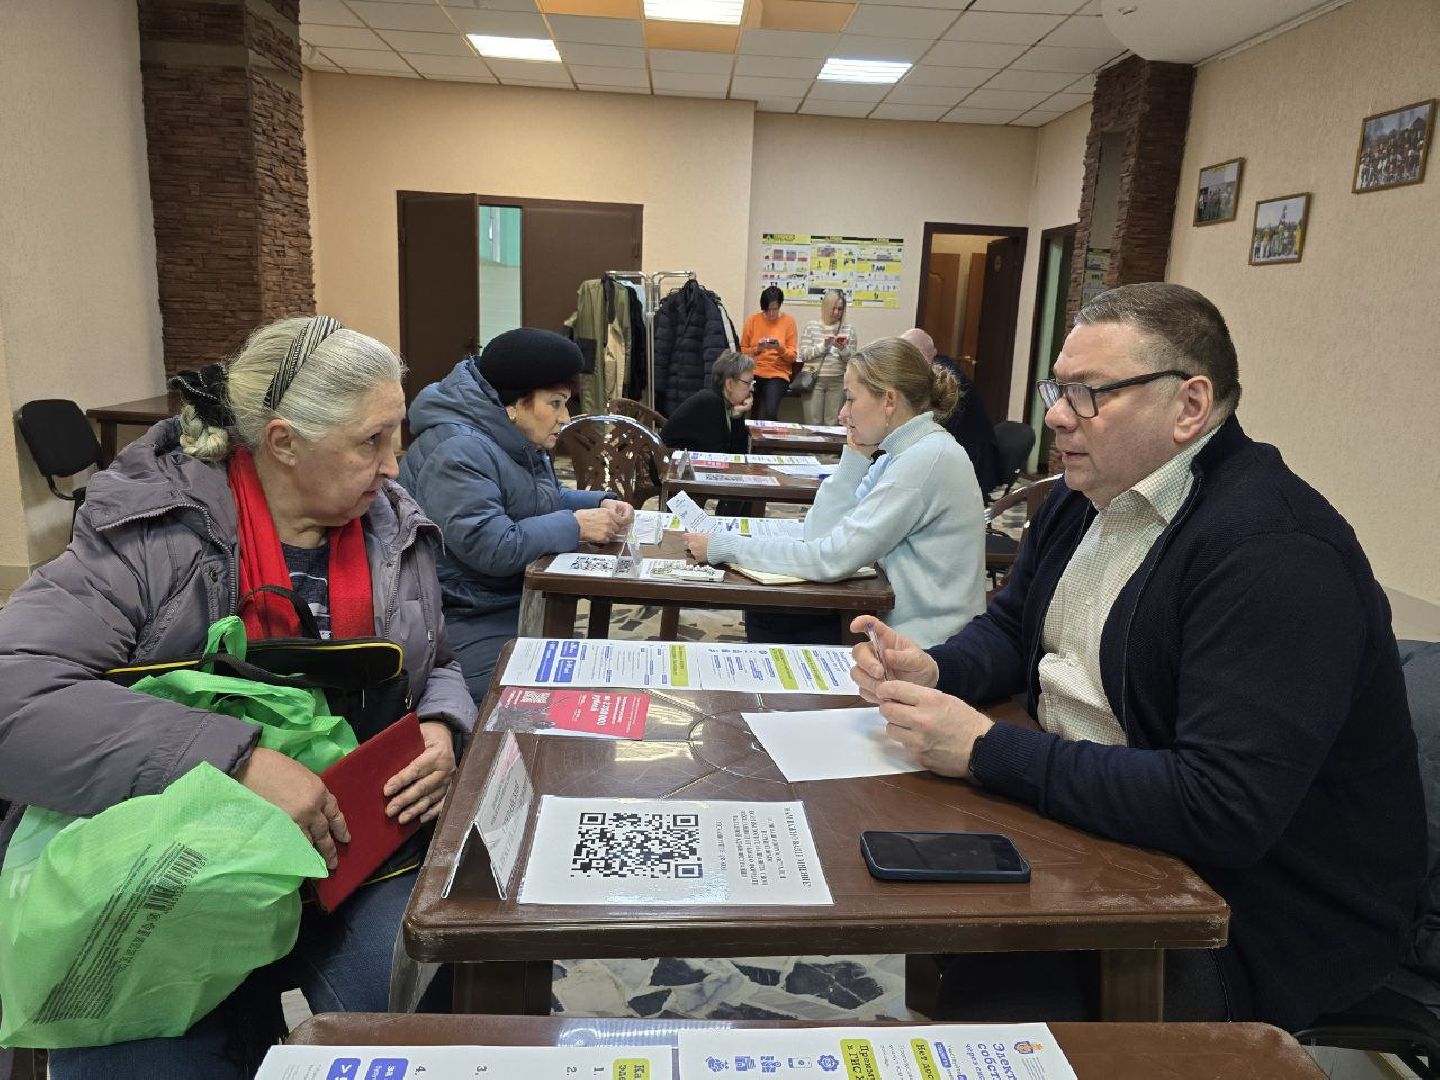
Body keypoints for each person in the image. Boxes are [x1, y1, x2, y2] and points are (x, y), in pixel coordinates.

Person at [850, 283, 1425, 1030]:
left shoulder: (1274, 554)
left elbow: (1221, 807)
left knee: (996, 1008)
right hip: (1097, 822)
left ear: (1190, 406)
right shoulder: (1081, 495)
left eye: (1090, 393)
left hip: (1252, 910)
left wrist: (988, 749)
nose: (1058, 415)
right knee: (919, 887)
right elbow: (1016, 629)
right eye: (1059, 388)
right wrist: (939, 669)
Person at [0, 315, 477, 1077]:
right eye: (371, 441)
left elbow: (436, 658)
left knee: (443, 1005)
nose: (395, 466)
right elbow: (15, 694)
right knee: (147, 1063)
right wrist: (234, 760)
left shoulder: (390, 528)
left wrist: (443, 724)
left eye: (399, 435)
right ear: (283, 442)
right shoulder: (150, 537)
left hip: (351, 851)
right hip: (175, 861)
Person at [686, 337, 986, 648]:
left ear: (889, 401)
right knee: (772, 613)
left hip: (926, 645)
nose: (843, 414)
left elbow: (832, 558)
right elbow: (820, 534)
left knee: (773, 618)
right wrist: (854, 459)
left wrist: (726, 546)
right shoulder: (903, 452)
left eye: (851, 399)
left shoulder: (923, 459)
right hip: (893, 616)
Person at [398, 328, 635, 701]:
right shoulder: (458, 450)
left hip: (504, 597)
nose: (565, 418)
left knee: (586, 676)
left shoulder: (509, 437)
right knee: (540, 700)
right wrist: (575, 526)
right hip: (462, 612)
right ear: (514, 403)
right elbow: (491, 546)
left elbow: (539, 499)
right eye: (555, 404)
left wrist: (598, 502)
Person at [900, 328, 1002, 498]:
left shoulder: (945, 378)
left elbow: (930, 422)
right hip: (953, 454)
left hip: (971, 462)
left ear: (919, 354)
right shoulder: (935, 368)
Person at [660, 349, 754, 455]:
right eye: (748, 383)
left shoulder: (722, 402)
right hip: (668, 462)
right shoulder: (710, 403)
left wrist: (737, 415)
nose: (752, 388)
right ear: (730, 384)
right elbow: (718, 455)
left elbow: (738, 454)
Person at [796, 288, 857, 425]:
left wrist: (842, 348)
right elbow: (804, 355)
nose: (836, 312)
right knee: (813, 423)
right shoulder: (812, 326)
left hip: (837, 380)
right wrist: (823, 346)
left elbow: (852, 360)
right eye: (833, 308)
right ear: (826, 307)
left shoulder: (848, 329)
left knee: (833, 423)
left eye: (840, 309)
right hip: (813, 380)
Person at [740, 285, 798, 421]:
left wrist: (780, 348)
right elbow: (743, 351)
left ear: (780, 306)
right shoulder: (753, 320)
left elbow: (792, 357)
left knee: (770, 412)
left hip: (777, 374)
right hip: (754, 371)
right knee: (739, 406)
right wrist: (758, 349)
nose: (771, 313)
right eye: (768, 310)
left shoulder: (789, 322)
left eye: (775, 309)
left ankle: (768, 435)